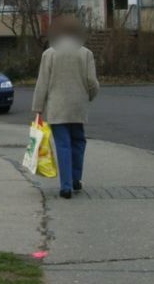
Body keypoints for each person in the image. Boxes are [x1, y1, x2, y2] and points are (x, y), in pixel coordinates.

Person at [31, 15, 99, 199]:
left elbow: (42, 83)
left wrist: (38, 108)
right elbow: (92, 83)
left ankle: (66, 186)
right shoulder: (86, 54)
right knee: (79, 141)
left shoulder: (49, 54)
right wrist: (89, 97)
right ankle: (76, 178)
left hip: (57, 107)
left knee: (63, 144)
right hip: (78, 106)